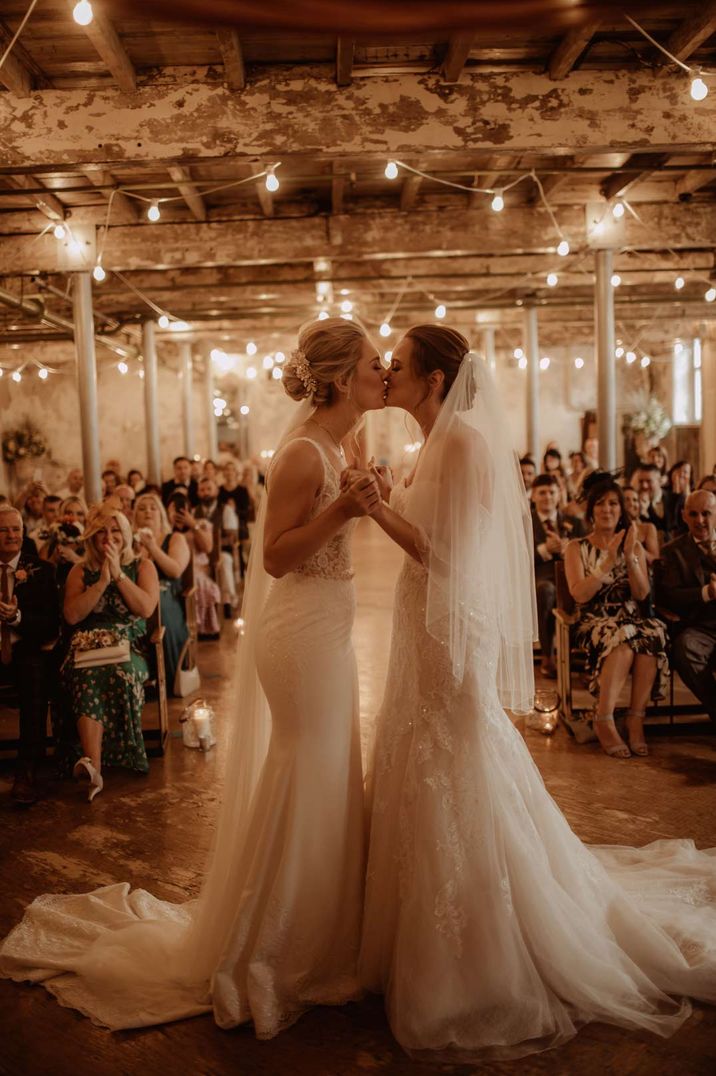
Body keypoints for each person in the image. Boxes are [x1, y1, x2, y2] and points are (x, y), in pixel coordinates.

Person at [0, 315, 386, 1034]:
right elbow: (273, 557)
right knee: (309, 765)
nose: (382, 370)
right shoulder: (305, 452)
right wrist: (344, 508)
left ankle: (326, 921)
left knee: (332, 767)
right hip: (300, 635)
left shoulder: (345, 440)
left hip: (330, 625)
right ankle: (279, 941)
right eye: (372, 362)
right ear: (339, 378)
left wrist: (363, 497)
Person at [355, 326, 715, 1062]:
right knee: (432, 749)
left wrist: (378, 511)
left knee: (453, 755)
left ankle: (472, 952)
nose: (387, 372)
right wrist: (395, 496)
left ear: (432, 381)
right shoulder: (439, 445)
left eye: (399, 365)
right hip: (430, 623)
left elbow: (448, 556)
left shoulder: (461, 447)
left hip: (449, 630)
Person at [565, 476, 668, 758]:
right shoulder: (576, 548)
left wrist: (630, 556)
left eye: (613, 504)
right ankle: (604, 719)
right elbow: (579, 595)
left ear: (621, 510)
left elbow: (643, 594)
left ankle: (635, 719)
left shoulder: (632, 546)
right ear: (591, 512)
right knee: (624, 637)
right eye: (600, 504)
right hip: (594, 621)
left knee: (651, 633)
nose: (607, 509)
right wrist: (607, 562)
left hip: (632, 619)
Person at [62, 502, 159, 800]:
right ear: (91, 537)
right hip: (87, 650)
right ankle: (94, 767)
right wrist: (102, 581)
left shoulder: (142, 565)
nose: (109, 538)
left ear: (126, 534)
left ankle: (96, 764)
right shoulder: (80, 571)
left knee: (122, 672)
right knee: (86, 674)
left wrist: (117, 575)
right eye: (101, 532)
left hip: (130, 649)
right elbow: (72, 616)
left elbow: (145, 608)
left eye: (115, 531)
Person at [0, 505, 59, 805]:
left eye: (17, 529)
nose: (12, 535)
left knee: (35, 676)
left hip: (25, 647)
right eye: (4, 530)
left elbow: (50, 623)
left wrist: (17, 617)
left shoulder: (40, 570)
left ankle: (27, 772)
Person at [656, 489, 716, 722]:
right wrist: (706, 593)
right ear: (683, 516)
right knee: (685, 649)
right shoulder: (672, 552)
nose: (700, 520)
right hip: (699, 626)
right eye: (693, 514)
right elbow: (669, 597)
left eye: (706, 514)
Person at [133, 492, 190, 695]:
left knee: (159, 608)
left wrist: (151, 546)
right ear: (134, 516)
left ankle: (164, 675)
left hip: (167, 594)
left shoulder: (175, 538)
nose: (147, 511)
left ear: (161, 514)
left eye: (152, 507)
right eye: (141, 508)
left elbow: (174, 570)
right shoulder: (129, 541)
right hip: (136, 593)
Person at [530, 473, 584, 677]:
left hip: (571, 577)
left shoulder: (574, 523)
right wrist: (544, 549)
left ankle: (577, 656)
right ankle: (547, 656)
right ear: (533, 496)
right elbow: (516, 558)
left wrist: (566, 550)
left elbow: (586, 551)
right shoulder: (525, 523)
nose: (547, 497)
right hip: (538, 579)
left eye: (552, 492)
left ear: (559, 494)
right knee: (546, 591)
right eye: (542, 493)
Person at [622, 486, 660, 566]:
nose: (632, 503)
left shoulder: (648, 528)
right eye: (626, 500)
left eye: (635, 500)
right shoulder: (613, 530)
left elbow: (655, 561)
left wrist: (635, 545)